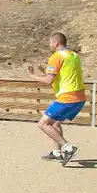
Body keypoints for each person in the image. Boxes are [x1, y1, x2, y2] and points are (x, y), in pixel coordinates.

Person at [27, 32, 86, 165]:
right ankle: (56, 152)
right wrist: (44, 72)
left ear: (56, 43)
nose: (50, 45)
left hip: (67, 97)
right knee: (55, 123)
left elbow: (48, 81)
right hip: (79, 97)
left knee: (43, 123)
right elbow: (64, 75)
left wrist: (32, 76)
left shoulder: (56, 57)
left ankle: (68, 148)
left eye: (50, 43)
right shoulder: (74, 55)